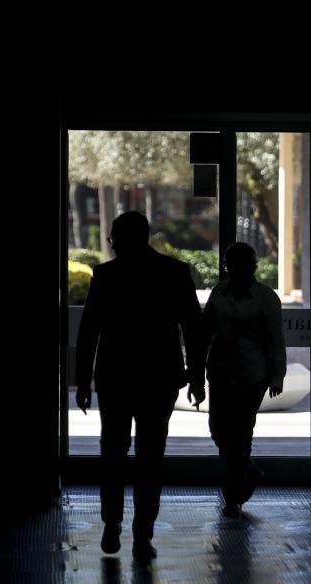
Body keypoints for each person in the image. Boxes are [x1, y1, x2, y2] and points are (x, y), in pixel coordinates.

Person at [76, 211, 206, 561]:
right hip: (159, 376)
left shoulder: (106, 275)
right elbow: (193, 327)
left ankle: (111, 523)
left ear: (118, 239)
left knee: (113, 453)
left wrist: (83, 380)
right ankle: (143, 535)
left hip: (115, 376)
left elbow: (90, 330)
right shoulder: (175, 272)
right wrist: (196, 374)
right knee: (151, 457)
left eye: (112, 239)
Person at [204, 242, 286, 518]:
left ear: (253, 267)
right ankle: (248, 471)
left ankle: (233, 497)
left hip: (252, 375)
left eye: (245, 265)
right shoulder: (219, 293)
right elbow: (206, 331)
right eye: (235, 265)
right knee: (218, 430)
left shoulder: (265, 298)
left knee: (240, 434)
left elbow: (276, 340)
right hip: (220, 373)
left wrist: (277, 375)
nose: (240, 270)